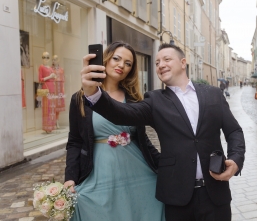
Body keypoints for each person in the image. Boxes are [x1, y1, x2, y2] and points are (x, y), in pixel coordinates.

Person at [80, 43, 245, 221]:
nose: (160, 65)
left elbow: (234, 131)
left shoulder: (213, 94)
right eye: (157, 62)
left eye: (167, 59)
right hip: (177, 198)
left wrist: (235, 160)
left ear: (183, 63)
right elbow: (121, 114)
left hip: (215, 193)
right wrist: (93, 93)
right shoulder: (154, 100)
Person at [64, 41, 165, 221]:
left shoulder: (134, 98)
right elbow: (75, 141)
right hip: (100, 171)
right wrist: (70, 177)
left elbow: (143, 140)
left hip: (137, 170)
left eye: (128, 64)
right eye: (117, 59)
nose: (121, 66)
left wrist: (165, 167)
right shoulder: (80, 99)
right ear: (106, 59)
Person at [38, 51, 57, 133]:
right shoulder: (41, 67)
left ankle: (52, 126)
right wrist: (49, 76)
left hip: (52, 89)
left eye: (47, 57)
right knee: (47, 108)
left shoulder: (50, 68)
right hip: (46, 89)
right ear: (42, 58)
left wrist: (54, 76)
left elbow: (55, 77)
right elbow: (40, 79)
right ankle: (47, 127)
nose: (45, 59)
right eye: (44, 57)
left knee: (52, 108)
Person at [52, 55, 65, 128]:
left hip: (60, 88)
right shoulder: (51, 69)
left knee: (58, 107)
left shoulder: (61, 70)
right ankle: (53, 122)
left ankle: (57, 121)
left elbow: (63, 80)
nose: (54, 61)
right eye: (53, 59)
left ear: (58, 60)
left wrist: (63, 89)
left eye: (56, 59)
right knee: (53, 106)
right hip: (54, 88)